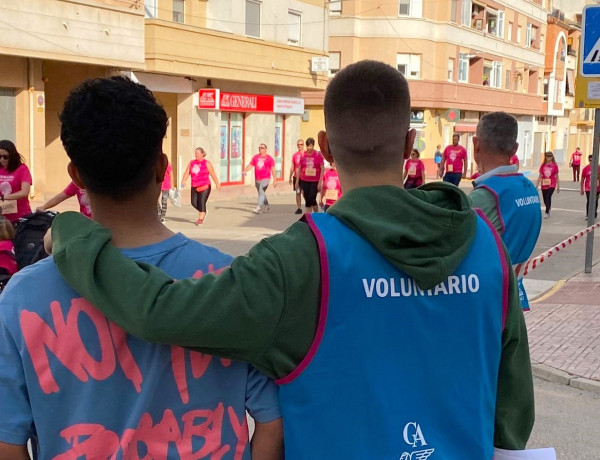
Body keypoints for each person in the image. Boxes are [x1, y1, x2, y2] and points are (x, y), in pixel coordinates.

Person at [50, 61, 534, 458]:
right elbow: (513, 414)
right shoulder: (487, 246)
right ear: (410, 147)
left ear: (323, 148)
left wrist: (73, 235)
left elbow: (157, 311)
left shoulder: (301, 260)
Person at [0, 77, 283, 460]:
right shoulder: (229, 279)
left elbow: (8, 442)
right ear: (162, 167)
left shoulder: (21, 298)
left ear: (77, 176)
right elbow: (272, 422)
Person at [470, 112, 542, 311]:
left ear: (476, 144)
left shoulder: (485, 196)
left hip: (486, 300)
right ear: (515, 148)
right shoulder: (528, 188)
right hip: (514, 295)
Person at [181, 147, 220, 225]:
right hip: (194, 186)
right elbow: (187, 172)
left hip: (205, 186)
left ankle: (200, 219)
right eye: (195, 153)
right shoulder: (192, 162)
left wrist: (217, 184)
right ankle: (203, 211)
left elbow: (213, 174)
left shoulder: (207, 163)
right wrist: (183, 181)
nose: (196, 155)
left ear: (202, 154)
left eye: (198, 153)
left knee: (201, 202)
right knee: (194, 203)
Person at [0, 140, 32, 224]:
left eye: (5, 157)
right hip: (2, 218)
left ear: (12, 156)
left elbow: (24, 192)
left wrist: (4, 197)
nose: (2, 160)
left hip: (20, 216)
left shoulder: (22, 169)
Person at [243, 143, 277, 214]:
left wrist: (275, 179)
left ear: (265, 149)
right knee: (261, 193)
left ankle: (258, 207)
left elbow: (273, 169)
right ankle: (267, 205)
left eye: (262, 148)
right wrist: (245, 170)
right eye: (259, 148)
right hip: (257, 179)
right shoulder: (256, 157)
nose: (260, 149)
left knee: (261, 190)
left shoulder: (269, 158)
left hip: (266, 178)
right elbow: (250, 165)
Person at [295, 137, 324, 214]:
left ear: (313, 146)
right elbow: (299, 168)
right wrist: (297, 181)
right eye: (308, 146)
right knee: (307, 199)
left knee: (312, 198)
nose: (309, 148)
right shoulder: (303, 155)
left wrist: (320, 182)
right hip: (305, 180)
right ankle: (308, 217)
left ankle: (316, 213)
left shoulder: (318, 154)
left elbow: (322, 168)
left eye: (310, 146)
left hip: (314, 181)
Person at [536, 151, 560, 219]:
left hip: (552, 183)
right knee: (544, 198)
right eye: (547, 156)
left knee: (548, 196)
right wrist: (537, 184)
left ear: (552, 157)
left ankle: (546, 212)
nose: (548, 158)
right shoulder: (543, 165)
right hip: (544, 184)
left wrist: (558, 185)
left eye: (550, 156)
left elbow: (557, 176)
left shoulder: (554, 165)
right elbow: (540, 175)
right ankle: (548, 207)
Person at [580, 154, 600, 220]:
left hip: (597, 188)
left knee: (596, 200)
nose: (592, 161)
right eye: (590, 160)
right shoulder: (586, 169)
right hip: (588, 188)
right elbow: (582, 179)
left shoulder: (599, 168)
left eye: (593, 160)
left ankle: (594, 212)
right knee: (589, 200)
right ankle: (588, 214)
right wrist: (582, 189)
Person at [289, 139, 304, 214]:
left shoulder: (306, 154)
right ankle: (299, 208)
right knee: (298, 193)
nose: (299, 146)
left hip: (304, 177)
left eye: (301, 144)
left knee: (304, 192)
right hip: (295, 176)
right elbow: (292, 167)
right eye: (298, 144)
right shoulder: (295, 155)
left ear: (303, 145)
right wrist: (290, 177)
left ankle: (308, 206)